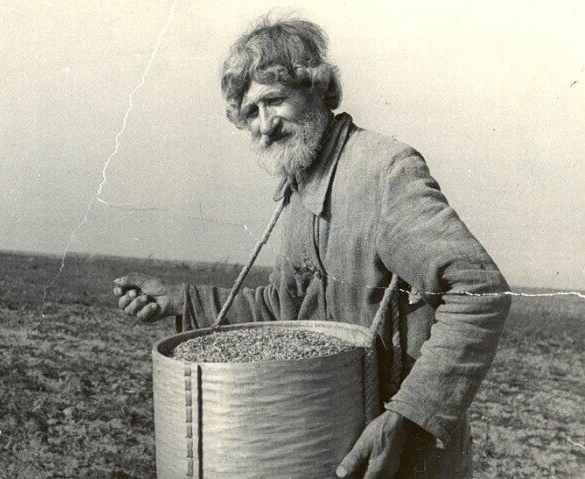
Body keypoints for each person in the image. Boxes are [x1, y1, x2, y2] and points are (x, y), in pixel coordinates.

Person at [113, 16, 511, 478]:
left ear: (319, 88)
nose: (265, 125)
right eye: (250, 112)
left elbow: (479, 291)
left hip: (402, 452)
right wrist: (183, 300)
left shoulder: (382, 171)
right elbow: (288, 313)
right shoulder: (299, 186)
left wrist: (407, 417)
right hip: (329, 440)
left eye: (274, 100)